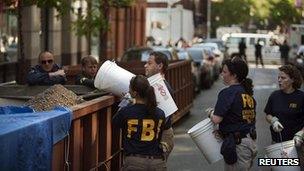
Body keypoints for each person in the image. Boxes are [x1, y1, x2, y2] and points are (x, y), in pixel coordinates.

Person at [207, 58, 257, 170]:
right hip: (250, 143)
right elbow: (239, 118)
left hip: (238, 146)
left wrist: (210, 113)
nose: (221, 74)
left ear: (234, 75)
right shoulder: (247, 94)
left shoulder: (227, 93)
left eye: (224, 72)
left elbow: (216, 119)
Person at [112, 75, 168, 170]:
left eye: (130, 89)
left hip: (135, 162)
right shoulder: (160, 113)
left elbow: (115, 122)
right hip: (157, 162)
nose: (128, 91)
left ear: (134, 93)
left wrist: (125, 103)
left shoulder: (126, 112)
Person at [144, 51, 174, 159]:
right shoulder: (155, 85)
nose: (145, 65)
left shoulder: (162, 87)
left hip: (161, 136)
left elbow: (163, 118)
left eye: (149, 63)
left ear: (160, 66)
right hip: (157, 134)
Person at [264, 65, 304, 142]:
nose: (279, 80)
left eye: (283, 78)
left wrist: (301, 133)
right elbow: (268, 114)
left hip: (297, 141)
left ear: (292, 80)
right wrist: (273, 121)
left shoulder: (301, 97)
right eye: (278, 77)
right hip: (277, 142)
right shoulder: (274, 95)